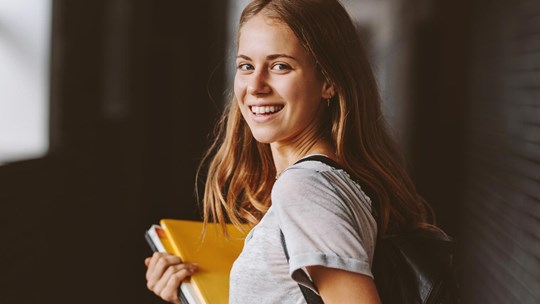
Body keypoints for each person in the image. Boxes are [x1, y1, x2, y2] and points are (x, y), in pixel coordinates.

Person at [145, 0, 434, 303]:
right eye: (246, 66)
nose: (255, 85)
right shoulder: (330, 183)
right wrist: (191, 293)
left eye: (280, 66)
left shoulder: (306, 189)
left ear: (329, 81)